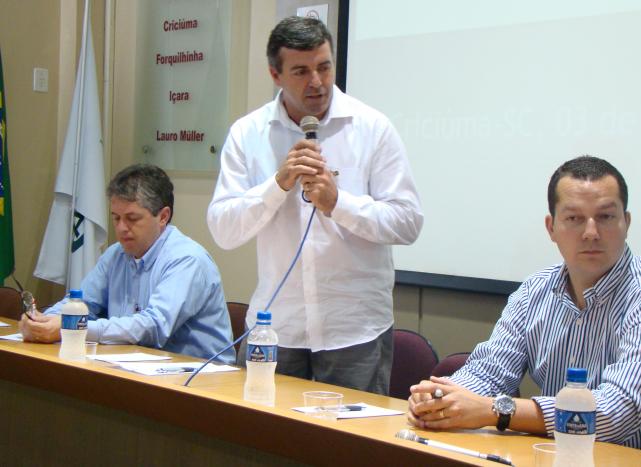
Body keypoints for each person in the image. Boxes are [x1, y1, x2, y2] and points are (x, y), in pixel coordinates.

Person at [408, 156, 641, 459]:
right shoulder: (535, 291)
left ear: (626, 222)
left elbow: (615, 414)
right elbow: (489, 373)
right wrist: (440, 399)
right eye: (574, 218)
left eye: (605, 217)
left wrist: (497, 410)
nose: (591, 232)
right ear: (551, 227)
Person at [207, 16, 423, 394]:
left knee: (350, 451)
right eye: (301, 71)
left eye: (324, 67)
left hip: (354, 330)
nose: (318, 82)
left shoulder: (372, 127)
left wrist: (338, 203)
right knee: (264, 445)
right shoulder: (248, 134)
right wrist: (277, 185)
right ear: (275, 75)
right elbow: (223, 230)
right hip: (278, 328)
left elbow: (407, 222)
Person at [20, 164, 234, 363]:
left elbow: (153, 327)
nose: (121, 228)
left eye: (132, 218)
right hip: (137, 369)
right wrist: (42, 322)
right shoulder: (115, 255)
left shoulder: (187, 260)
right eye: (116, 218)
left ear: (163, 217)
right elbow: (81, 302)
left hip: (202, 380)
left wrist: (72, 327)